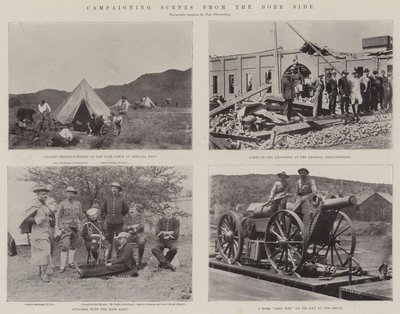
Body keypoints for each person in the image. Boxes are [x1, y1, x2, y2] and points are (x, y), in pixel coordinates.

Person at [19, 185, 55, 282]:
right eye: (43, 194)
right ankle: (44, 274)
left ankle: (41, 271)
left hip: (47, 233)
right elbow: (26, 220)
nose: (45, 196)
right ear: (38, 195)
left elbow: (49, 217)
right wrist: (40, 219)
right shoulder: (34, 206)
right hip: (38, 234)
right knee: (45, 253)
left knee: (44, 253)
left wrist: (50, 219)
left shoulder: (46, 206)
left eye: (46, 194)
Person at [57, 186, 84, 272]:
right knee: (65, 246)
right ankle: (62, 266)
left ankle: (70, 262)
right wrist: (61, 227)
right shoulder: (62, 204)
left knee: (73, 246)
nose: (70, 194)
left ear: (74, 194)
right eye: (69, 193)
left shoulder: (78, 203)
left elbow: (81, 216)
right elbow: (58, 217)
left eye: (72, 193)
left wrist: (80, 225)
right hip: (66, 228)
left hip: (76, 228)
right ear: (66, 194)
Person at [101, 182, 129, 261]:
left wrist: (119, 215)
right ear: (111, 189)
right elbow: (103, 209)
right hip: (109, 222)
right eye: (113, 188)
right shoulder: (107, 198)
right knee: (109, 239)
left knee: (119, 239)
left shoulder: (122, 198)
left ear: (119, 190)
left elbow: (126, 209)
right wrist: (108, 216)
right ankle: (108, 257)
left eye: (116, 188)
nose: (114, 190)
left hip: (119, 222)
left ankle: (119, 257)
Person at [151, 204, 180, 271]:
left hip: (171, 240)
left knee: (174, 249)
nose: (167, 211)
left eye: (169, 210)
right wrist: (170, 232)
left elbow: (176, 234)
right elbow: (157, 232)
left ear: (172, 211)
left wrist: (163, 232)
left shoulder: (176, 220)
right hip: (161, 240)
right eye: (166, 210)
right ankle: (168, 265)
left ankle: (162, 264)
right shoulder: (160, 220)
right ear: (164, 211)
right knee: (154, 249)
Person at [123, 202, 147, 269]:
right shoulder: (126, 217)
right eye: (130, 209)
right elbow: (124, 227)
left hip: (139, 235)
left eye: (133, 209)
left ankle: (140, 260)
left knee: (142, 242)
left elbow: (141, 226)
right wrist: (132, 226)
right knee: (123, 242)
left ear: (135, 209)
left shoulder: (140, 216)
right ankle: (130, 260)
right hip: (129, 235)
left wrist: (133, 230)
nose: (131, 210)